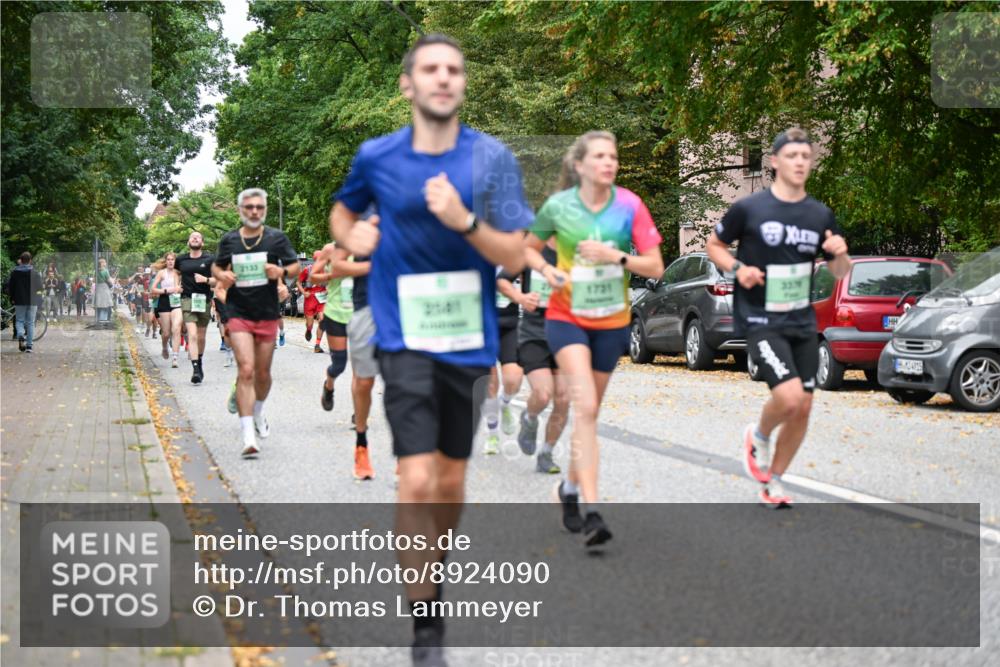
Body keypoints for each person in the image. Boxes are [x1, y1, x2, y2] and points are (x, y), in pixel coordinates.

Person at [331, 33, 532, 666]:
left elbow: (515, 252)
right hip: (401, 336)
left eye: (454, 69)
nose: (443, 78)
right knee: (415, 478)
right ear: (408, 84)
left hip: (467, 340)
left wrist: (465, 223)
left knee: (449, 482)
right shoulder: (377, 157)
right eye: (430, 69)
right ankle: (425, 628)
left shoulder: (492, 159)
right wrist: (354, 232)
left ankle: (432, 578)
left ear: (462, 83)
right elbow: (341, 215)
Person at [525, 130, 664, 547]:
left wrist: (617, 257)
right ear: (580, 165)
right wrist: (548, 272)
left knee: (588, 413)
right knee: (583, 404)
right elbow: (529, 249)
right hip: (566, 319)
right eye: (600, 156)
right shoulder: (558, 207)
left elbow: (655, 267)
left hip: (611, 322)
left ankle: (568, 489)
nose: (609, 162)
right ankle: (593, 508)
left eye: (614, 156)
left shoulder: (630, 205)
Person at [706, 127, 850, 508]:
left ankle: (775, 481)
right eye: (792, 156)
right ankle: (759, 436)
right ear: (774, 161)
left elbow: (839, 271)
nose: (800, 162)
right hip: (759, 317)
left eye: (806, 156)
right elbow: (714, 244)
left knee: (803, 406)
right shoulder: (750, 208)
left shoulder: (820, 214)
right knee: (787, 398)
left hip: (801, 320)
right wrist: (738, 269)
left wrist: (839, 252)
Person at [213, 188, 298, 458]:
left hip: (267, 313)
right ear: (240, 210)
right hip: (238, 312)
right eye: (249, 207)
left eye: (259, 207)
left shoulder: (276, 239)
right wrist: (223, 276)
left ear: (265, 210)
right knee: (246, 370)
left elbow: (295, 267)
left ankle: (258, 410)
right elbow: (217, 267)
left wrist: (281, 272)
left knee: (262, 373)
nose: (254, 211)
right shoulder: (230, 241)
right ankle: (248, 435)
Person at [310, 242, 373, 479]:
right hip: (336, 313)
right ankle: (329, 385)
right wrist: (331, 274)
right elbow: (313, 277)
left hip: (362, 314)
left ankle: (359, 415)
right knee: (339, 365)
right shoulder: (329, 250)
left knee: (362, 373)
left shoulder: (370, 246)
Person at [516, 236, 570, 473]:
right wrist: (520, 297)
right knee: (543, 392)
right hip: (534, 334)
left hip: (565, 335)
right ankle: (529, 417)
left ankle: (546, 454)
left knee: (564, 399)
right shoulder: (531, 252)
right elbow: (502, 280)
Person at [481, 269, 525, 454]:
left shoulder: (515, 253)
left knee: (513, 379)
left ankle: (505, 403)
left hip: (511, 323)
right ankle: (492, 435)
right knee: (490, 383)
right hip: (483, 324)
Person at [177, 232, 216, 384]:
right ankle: (195, 370)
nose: (195, 238)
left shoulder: (210, 259)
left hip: (203, 301)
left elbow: (217, 280)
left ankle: (199, 362)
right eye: (192, 237)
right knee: (192, 335)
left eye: (198, 237)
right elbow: (173, 272)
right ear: (188, 242)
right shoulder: (181, 260)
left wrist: (205, 279)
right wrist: (176, 285)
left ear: (202, 242)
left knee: (200, 336)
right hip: (187, 300)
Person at [151, 253, 184, 367]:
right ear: (166, 261)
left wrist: (180, 289)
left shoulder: (179, 273)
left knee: (176, 328)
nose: (170, 262)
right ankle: (165, 346)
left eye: (172, 259)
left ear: (176, 261)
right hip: (164, 301)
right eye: (168, 260)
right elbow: (153, 289)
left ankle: (175, 358)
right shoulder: (162, 273)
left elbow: (185, 286)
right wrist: (166, 290)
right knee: (166, 332)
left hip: (176, 301)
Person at [6, 252, 43, 352]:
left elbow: (11, 287)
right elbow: (40, 287)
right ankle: (29, 346)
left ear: (21, 261)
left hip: (19, 300)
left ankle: (21, 334)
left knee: (19, 320)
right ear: (30, 261)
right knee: (30, 322)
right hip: (32, 300)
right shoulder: (35, 273)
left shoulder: (15, 273)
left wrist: (12, 298)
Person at [298, 250, 328, 353]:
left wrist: (329, 288)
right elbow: (298, 282)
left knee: (322, 320)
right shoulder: (307, 270)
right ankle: (309, 330)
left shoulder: (327, 270)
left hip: (322, 299)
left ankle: (317, 345)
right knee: (310, 323)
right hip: (310, 298)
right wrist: (303, 292)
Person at [94, 258, 114, 322]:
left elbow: (94, 280)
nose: (106, 263)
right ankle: (105, 319)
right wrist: (112, 283)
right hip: (104, 287)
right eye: (105, 262)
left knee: (99, 303)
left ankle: (98, 318)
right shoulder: (105, 271)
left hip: (98, 287)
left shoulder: (96, 271)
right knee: (106, 303)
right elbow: (108, 280)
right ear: (102, 263)